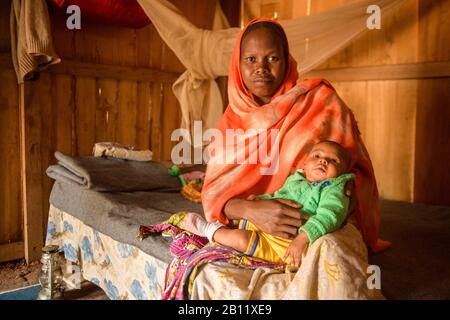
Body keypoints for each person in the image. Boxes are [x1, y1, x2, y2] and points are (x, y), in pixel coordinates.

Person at [199, 17, 390, 258]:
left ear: (287, 60)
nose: (261, 67)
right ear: (237, 65)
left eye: (273, 58)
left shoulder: (321, 103)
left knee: (332, 258)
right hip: (255, 227)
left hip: (318, 223)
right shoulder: (230, 124)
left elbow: (357, 180)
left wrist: (335, 201)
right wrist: (251, 210)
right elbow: (214, 197)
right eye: (250, 59)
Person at [176, 140, 355, 268]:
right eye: (317, 156)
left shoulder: (333, 188)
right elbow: (278, 196)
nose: (323, 160)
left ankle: (209, 230)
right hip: (264, 221)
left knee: (241, 240)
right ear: (305, 163)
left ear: (342, 172)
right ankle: (213, 226)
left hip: (286, 242)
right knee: (241, 223)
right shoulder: (296, 180)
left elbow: (329, 215)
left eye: (333, 160)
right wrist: (258, 203)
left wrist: (303, 238)